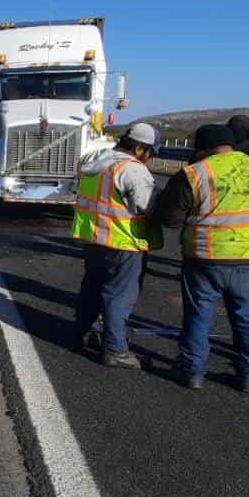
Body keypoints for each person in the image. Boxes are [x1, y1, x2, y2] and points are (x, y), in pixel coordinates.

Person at [152, 124, 249, 392]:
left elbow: (171, 220)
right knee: (248, 319)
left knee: (199, 316)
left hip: (205, 257)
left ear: (201, 148)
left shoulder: (194, 173)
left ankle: (192, 372)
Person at [72, 122, 165, 369]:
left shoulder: (96, 161)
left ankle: (81, 332)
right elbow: (146, 207)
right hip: (123, 241)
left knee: (92, 288)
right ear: (138, 148)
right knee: (118, 296)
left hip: (94, 238)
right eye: (150, 152)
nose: (151, 158)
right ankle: (115, 349)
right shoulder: (132, 170)